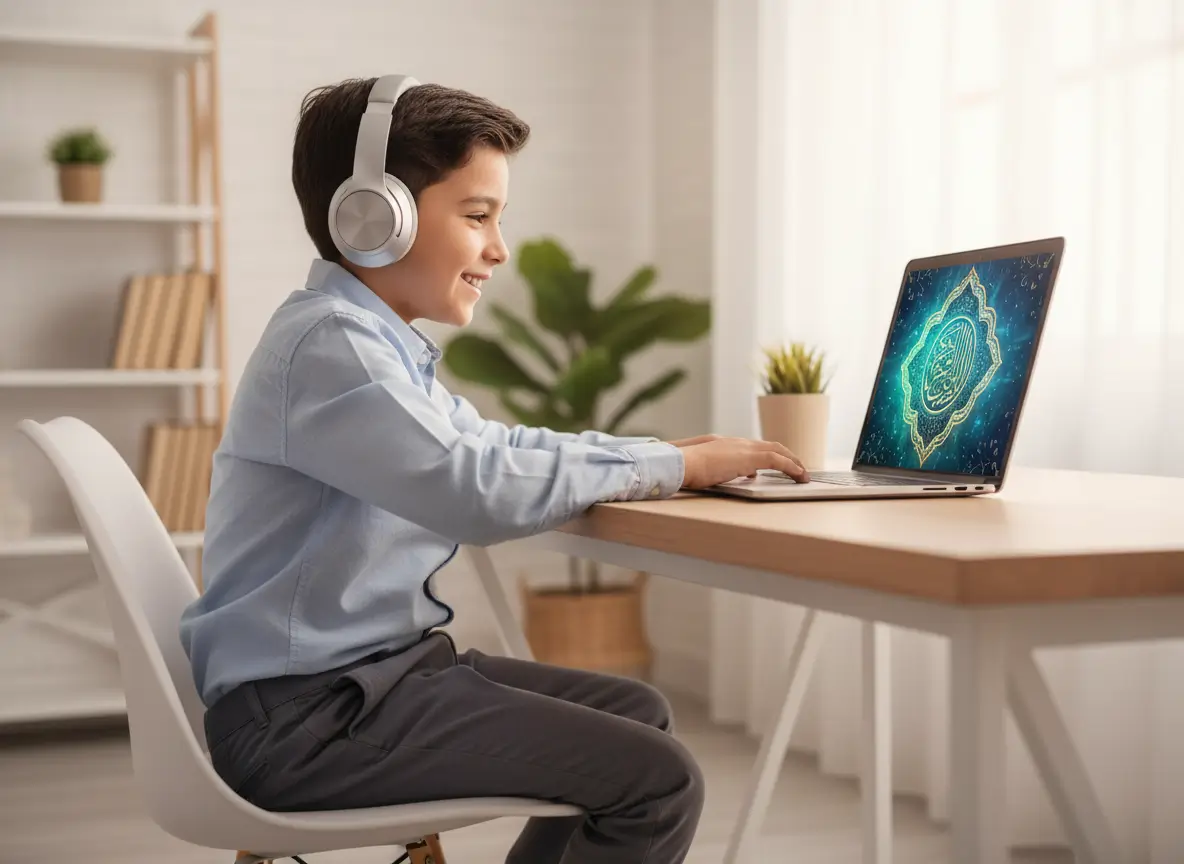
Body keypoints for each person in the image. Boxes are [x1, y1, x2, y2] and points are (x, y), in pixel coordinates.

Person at [179, 75, 808, 864]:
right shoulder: (333, 350)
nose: (499, 249)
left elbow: (494, 448)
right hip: (311, 720)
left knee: (639, 714)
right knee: (660, 781)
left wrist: (669, 458)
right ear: (374, 217)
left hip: (358, 689)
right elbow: (474, 489)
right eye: (477, 216)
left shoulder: (367, 344)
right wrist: (662, 467)